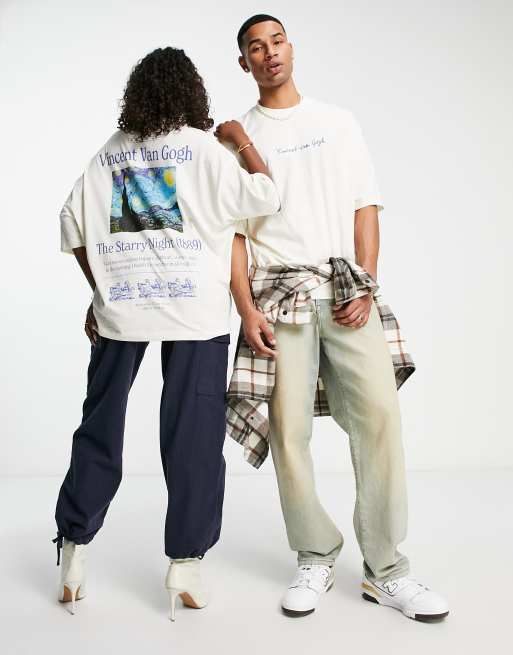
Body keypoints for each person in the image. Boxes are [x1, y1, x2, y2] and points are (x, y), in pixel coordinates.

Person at [220, 14, 449, 621]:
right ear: (244, 62)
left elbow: (364, 206)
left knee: (379, 418)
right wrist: (245, 307)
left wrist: (366, 282)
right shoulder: (238, 139)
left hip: (344, 290)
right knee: (288, 431)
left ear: (291, 48)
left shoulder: (337, 122)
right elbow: (234, 235)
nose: (269, 53)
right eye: (255, 48)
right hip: (278, 297)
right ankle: (314, 554)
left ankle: (386, 570)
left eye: (277, 41)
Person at [52, 46, 280, 621]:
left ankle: (73, 553)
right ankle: (185, 565)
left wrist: (100, 289)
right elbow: (266, 196)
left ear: (138, 92)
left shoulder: (111, 152)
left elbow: (71, 220)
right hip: (195, 314)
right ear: (192, 92)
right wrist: (240, 140)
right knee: (193, 435)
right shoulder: (204, 149)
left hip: (123, 312)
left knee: (100, 425)